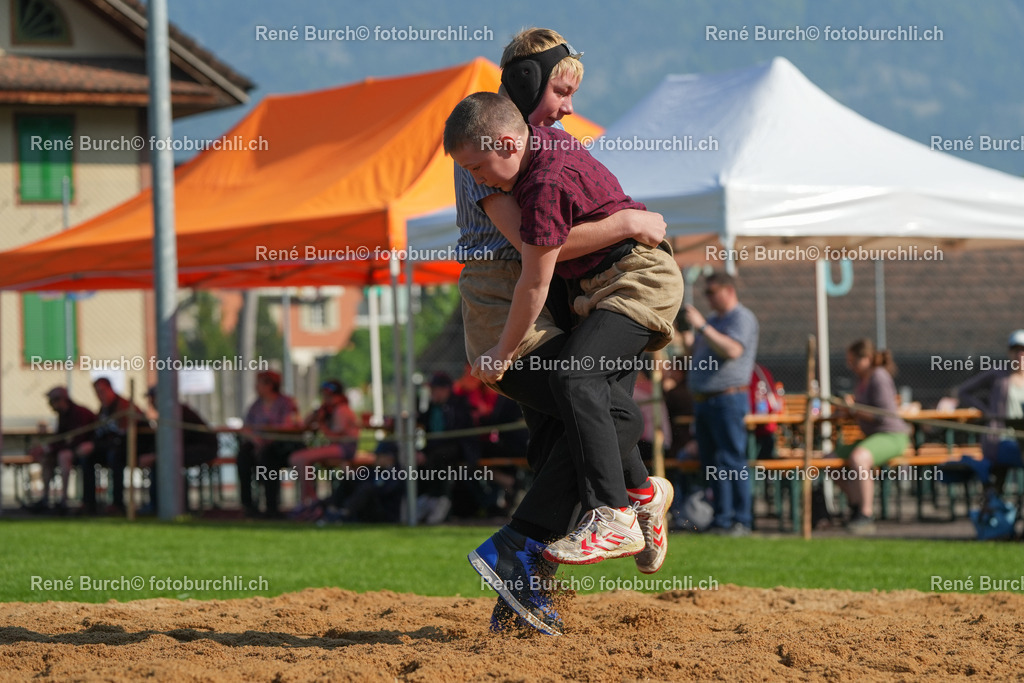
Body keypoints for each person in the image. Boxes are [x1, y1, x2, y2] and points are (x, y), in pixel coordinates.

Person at [450, 29, 675, 636]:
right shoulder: (482, 142)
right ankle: (591, 519)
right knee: (606, 418)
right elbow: (534, 248)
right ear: (525, 87)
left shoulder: (539, 145)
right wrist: (628, 220)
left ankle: (522, 585)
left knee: (575, 431)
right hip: (512, 294)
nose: (570, 106)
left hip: (565, 296)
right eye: (560, 91)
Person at [682, 271, 759, 536]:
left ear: (728, 290)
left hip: (728, 399)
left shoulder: (741, 318)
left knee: (731, 460)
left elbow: (733, 350)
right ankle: (722, 519)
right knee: (712, 463)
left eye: (711, 292)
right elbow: (697, 354)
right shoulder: (715, 321)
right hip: (705, 401)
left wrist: (702, 327)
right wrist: (688, 336)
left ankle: (741, 519)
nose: (708, 298)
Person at [835, 338, 911, 534]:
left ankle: (866, 514)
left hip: (892, 436)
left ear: (867, 358)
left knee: (859, 458)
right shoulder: (861, 379)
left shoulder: (879, 377)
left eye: (853, 361)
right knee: (829, 460)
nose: (850, 366)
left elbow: (882, 414)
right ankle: (855, 505)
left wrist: (853, 410)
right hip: (873, 437)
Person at [956, 329, 1024, 495]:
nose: (1020, 356)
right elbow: (963, 391)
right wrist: (986, 411)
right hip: (1000, 440)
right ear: (1010, 353)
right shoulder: (999, 375)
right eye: (1017, 351)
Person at [75, 378, 152, 515]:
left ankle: (117, 504)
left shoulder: (124, 406)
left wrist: (95, 446)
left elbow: (122, 438)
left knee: (115, 456)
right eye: (97, 392)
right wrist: (92, 445)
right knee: (87, 457)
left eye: (102, 391)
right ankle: (89, 503)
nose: (99, 395)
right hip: (110, 447)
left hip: (133, 448)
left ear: (110, 389)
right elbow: (100, 434)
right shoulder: (103, 409)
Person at [139, 386, 219, 511]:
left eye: (152, 398)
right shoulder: (168, 412)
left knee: (169, 461)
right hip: (188, 448)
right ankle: (159, 504)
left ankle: (177, 505)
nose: (151, 402)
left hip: (203, 449)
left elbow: (176, 443)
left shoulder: (176, 412)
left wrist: (155, 456)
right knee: (164, 461)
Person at [288, 380, 361, 514]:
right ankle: (309, 499)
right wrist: (316, 415)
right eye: (325, 396)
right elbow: (304, 424)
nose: (326, 399)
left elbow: (336, 436)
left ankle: (311, 500)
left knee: (300, 458)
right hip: (337, 447)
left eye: (329, 396)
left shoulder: (342, 410)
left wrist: (322, 424)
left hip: (344, 448)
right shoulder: (328, 409)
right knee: (299, 458)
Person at [416, 371, 480, 524]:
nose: (432, 393)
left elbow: (454, 434)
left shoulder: (458, 405)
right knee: (423, 459)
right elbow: (422, 424)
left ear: (445, 389)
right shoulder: (432, 407)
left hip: (459, 448)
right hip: (435, 449)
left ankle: (441, 499)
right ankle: (428, 497)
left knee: (439, 457)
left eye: (435, 389)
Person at [236, 370, 301, 519]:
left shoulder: (286, 403)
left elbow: (289, 426)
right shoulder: (256, 405)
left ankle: (272, 507)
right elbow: (246, 427)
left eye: (259, 383)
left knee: (268, 459)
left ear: (270, 385)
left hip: (280, 447)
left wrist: (268, 437)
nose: (256, 387)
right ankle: (248, 505)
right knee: (243, 457)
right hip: (258, 445)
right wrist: (255, 439)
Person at [27, 387, 96, 513]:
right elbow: (60, 439)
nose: (50, 405)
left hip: (88, 451)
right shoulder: (63, 415)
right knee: (46, 458)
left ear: (61, 400)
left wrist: (50, 447)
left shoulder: (79, 413)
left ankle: (63, 500)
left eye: (52, 401)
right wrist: (46, 448)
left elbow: (74, 441)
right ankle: (45, 498)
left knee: (64, 456)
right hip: (72, 450)